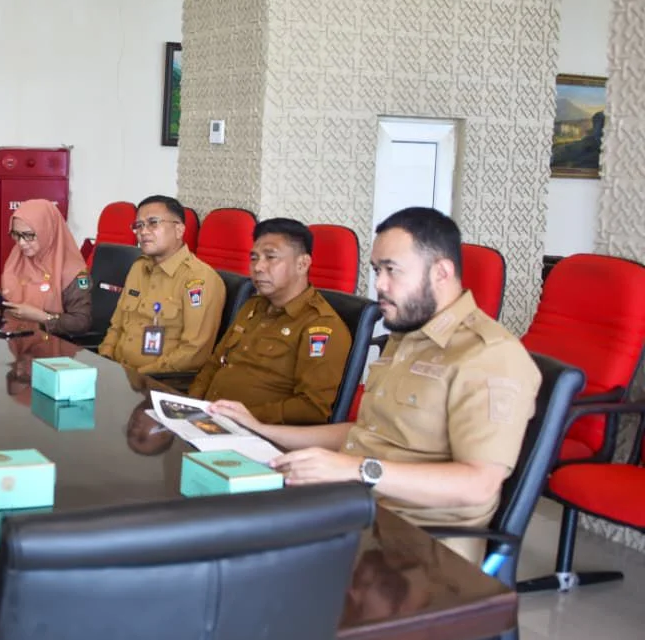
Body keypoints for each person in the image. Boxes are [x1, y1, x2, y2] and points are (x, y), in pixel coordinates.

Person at [209, 207, 540, 563]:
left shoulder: (489, 355)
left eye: (391, 271)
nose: (379, 285)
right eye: (376, 271)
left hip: (418, 546)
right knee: (217, 525)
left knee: (236, 560)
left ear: (441, 272)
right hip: (355, 508)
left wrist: (355, 469)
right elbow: (365, 434)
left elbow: (479, 485)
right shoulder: (407, 336)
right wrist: (261, 429)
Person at [188, 218, 351, 424]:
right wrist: (190, 406)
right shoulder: (253, 307)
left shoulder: (321, 326)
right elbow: (213, 364)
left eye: (270, 257)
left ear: (302, 264)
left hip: (256, 434)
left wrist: (244, 418)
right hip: (207, 420)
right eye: (254, 258)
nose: (258, 267)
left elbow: (312, 408)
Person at [98, 195, 223, 374]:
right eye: (139, 225)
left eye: (153, 223)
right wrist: (105, 357)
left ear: (179, 230)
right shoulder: (138, 267)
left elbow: (193, 353)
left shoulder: (199, 280)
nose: (143, 231)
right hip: (116, 372)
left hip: (158, 382)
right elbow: (116, 325)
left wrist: (140, 375)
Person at [0, 198, 92, 336]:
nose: (21, 243)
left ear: (48, 232)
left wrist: (42, 317)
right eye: (16, 234)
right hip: (19, 342)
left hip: (55, 347)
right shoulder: (18, 259)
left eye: (29, 235)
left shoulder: (73, 272)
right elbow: (14, 300)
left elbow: (81, 322)